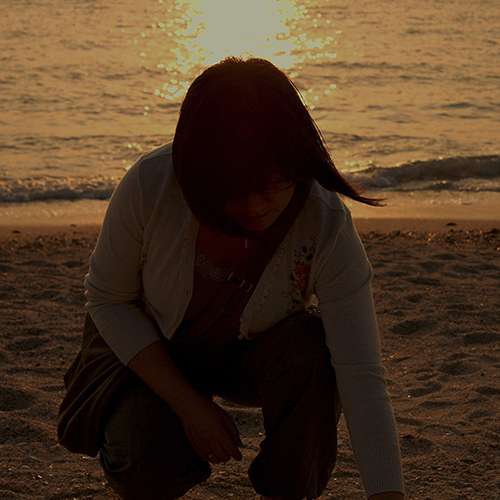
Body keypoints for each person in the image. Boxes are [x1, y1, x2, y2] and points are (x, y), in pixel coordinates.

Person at [83, 56, 405, 499]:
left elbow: (361, 372)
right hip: (152, 348)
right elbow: (108, 299)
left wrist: (388, 494)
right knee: (145, 453)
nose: (255, 205)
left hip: (250, 355)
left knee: (313, 347)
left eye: (271, 182)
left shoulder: (325, 223)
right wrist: (189, 405)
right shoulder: (152, 185)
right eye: (234, 187)